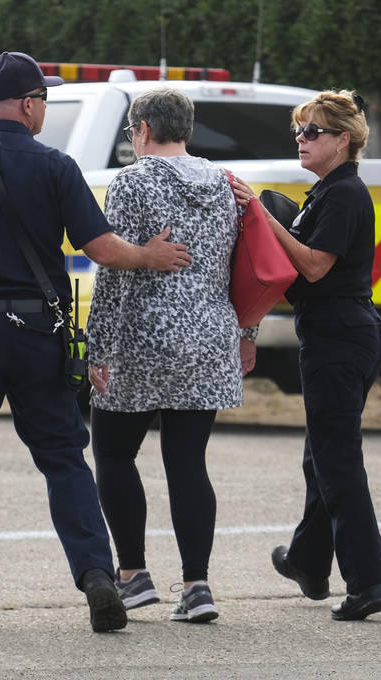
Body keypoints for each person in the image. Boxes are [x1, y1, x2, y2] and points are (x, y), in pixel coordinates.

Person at [0, 51, 192, 633]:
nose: (44, 110)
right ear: (29, 104)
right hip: (40, 334)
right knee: (64, 460)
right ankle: (95, 576)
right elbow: (104, 249)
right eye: (43, 100)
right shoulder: (57, 167)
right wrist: (151, 256)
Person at [86, 87, 257, 624]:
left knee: (113, 453)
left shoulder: (132, 182)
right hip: (210, 337)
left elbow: (115, 271)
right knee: (188, 462)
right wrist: (246, 332)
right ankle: (197, 585)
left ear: (140, 130)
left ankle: (133, 574)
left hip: (144, 337)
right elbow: (244, 264)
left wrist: (98, 347)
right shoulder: (226, 184)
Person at [231, 89, 381, 621]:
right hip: (337, 331)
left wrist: (262, 214)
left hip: (338, 334)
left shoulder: (345, 193)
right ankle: (307, 560)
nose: (301, 140)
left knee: (337, 461)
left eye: (312, 132)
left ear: (342, 140)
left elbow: (317, 266)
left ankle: (367, 581)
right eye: (298, 131)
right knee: (321, 455)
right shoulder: (327, 192)